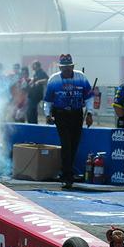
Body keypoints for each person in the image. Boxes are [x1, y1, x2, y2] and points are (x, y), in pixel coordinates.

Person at [44, 54, 94, 189]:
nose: (66, 69)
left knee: (74, 144)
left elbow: (89, 97)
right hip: (61, 115)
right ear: (60, 68)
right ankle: (67, 176)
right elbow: (48, 100)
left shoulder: (81, 77)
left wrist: (90, 113)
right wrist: (47, 115)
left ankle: (67, 171)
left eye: (68, 67)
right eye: (63, 67)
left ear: (72, 66)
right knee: (66, 144)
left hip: (76, 114)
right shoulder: (54, 79)